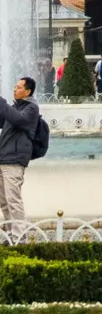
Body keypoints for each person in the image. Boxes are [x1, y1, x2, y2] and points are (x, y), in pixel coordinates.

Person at [0, 77, 41, 226]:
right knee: (3, 200)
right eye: (15, 86)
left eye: (18, 87)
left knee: (13, 200)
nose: (14, 89)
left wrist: (1, 102)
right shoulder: (15, 107)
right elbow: (5, 119)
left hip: (14, 160)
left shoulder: (31, 109)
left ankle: (19, 235)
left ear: (27, 92)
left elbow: (18, 120)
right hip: (3, 158)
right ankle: (11, 231)